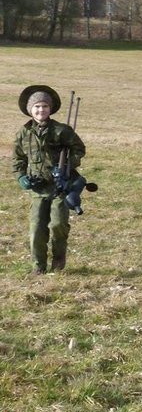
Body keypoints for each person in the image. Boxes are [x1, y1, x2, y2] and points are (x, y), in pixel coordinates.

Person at [12, 85, 86, 275]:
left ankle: (58, 263)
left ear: (50, 108)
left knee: (58, 225)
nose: (41, 110)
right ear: (30, 110)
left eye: (44, 106)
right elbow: (18, 160)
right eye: (37, 106)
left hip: (60, 188)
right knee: (36, 228)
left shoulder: (62, 130)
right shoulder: (23, 133)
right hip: (38, 190)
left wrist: (68, 165)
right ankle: (38, 267)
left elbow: (79, 149)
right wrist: (21, 178)